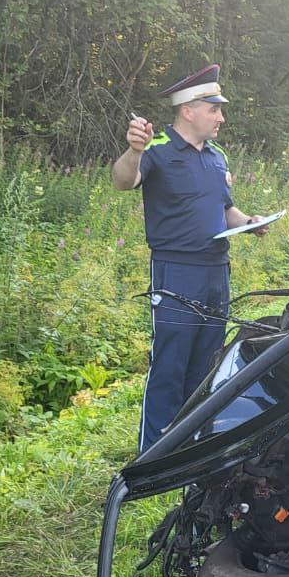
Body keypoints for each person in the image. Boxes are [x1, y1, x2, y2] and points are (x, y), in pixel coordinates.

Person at [112, 64, 268, 453]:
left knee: (207, 364)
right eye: (214, 108)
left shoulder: (217, 157)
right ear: (189, 110)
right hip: (176, 272)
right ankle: (155, 454)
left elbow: (225, 210)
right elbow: (122, 180)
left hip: (218, 270)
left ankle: (193, 443)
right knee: (171, 365)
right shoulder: (157, 150)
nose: (221, 117)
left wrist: (248, 222)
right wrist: (133, 150)